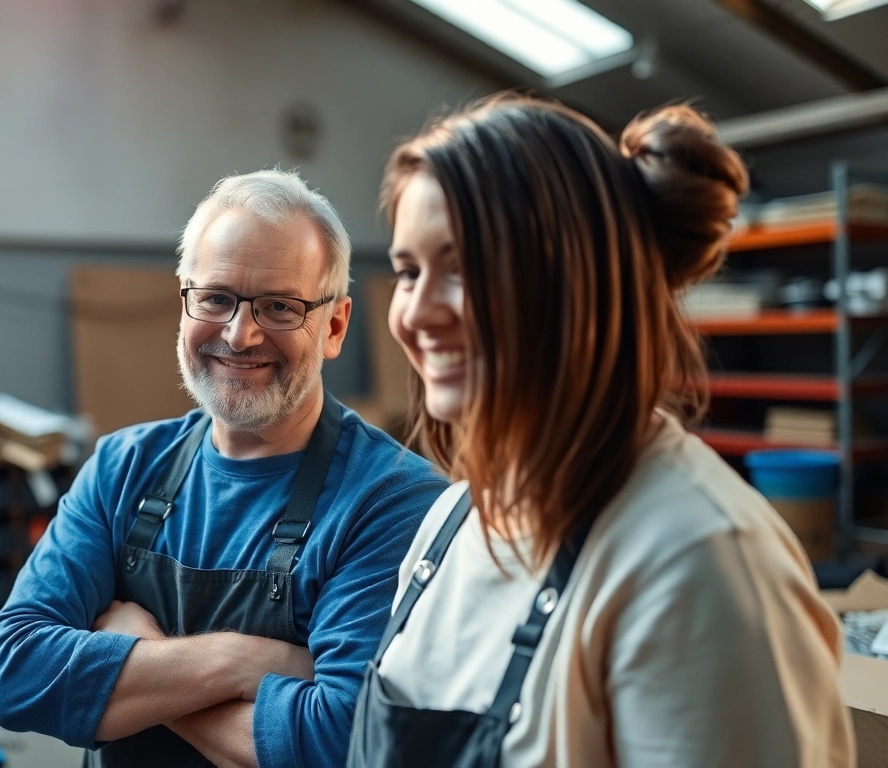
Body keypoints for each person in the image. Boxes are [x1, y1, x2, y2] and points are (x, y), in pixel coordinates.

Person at [348, 94, 853, 768]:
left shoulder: (696, 564)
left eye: (465, 266)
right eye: (409, 271)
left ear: (572, 282)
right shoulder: (448, 524)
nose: (414, 313)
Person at [0, 169, 448, 768]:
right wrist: (235, 662)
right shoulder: (121, 468)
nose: (240, 333)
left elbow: (337, 743)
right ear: (185, 301)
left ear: (333, 326)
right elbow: (19, 674)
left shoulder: (393, 503)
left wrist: (138, 651)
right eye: (216, 298)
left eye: (281, 306)